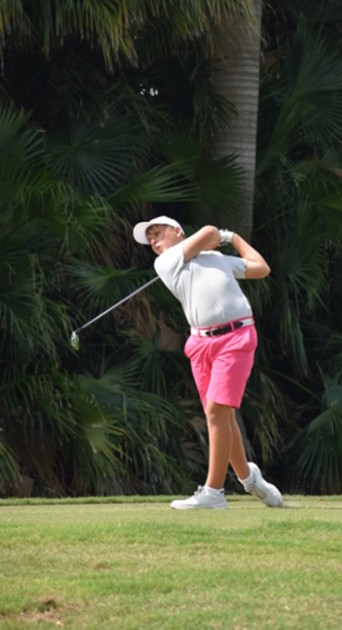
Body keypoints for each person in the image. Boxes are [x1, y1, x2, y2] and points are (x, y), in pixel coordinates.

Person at [132, 215, 284, 510]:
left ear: (177, 231)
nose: (153, 241)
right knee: (221, 415)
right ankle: (249, 478)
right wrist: (220, 236)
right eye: (149, 239)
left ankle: (214, 492)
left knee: (217, 411)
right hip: (201, 345)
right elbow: (210, 232)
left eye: (157, 233)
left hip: (236, 338)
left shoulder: (216, 259)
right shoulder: (165, 262)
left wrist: (233, 238)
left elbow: (261, 268)